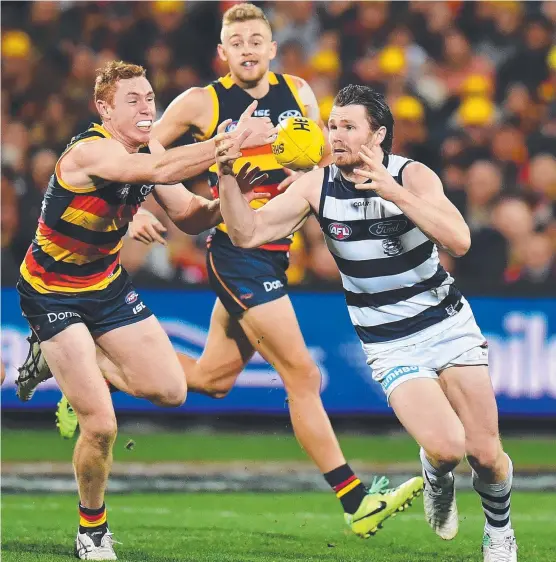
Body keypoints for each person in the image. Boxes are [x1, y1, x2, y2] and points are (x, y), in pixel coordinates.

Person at [19, 2, 423, 541]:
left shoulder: (299, 93)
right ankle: (354, 499)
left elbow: (313, 165)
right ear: (223, 51)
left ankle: (78, 373)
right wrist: (149, 196)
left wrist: (319, 164)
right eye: (238, 41)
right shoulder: (199, 102)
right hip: (239, 253)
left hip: (272, 248)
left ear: (274, 47)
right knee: (301, 375)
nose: (249, 49)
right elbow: (147, 157)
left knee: (209, 380)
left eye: (259, 39)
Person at [214, 84, 518, 562]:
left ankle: (499, 533)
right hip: (389, 342)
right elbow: (246, 233)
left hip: (447, 324)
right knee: (445, 448)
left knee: (485, 454)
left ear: (377, 136)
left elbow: (459, 240)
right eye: (332, 125)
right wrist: (227, 174)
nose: (334, 135)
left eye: (348, 126)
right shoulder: (316, 185)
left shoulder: (412, 175)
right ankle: (437, 475)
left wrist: (394, 193)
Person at [15, 59, 274, 560]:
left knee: (172, 390)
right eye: (132, 99)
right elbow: (154, 170)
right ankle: (92, 531)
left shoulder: (150, 152)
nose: (147, 106)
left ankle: (66, 359)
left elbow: (191, 219)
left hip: (105, 286)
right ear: (103, 108)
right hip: (51, 291)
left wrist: (233, 188)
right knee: (102, 424)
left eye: (150, 97)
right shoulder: (91, 151)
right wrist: (230, 142)